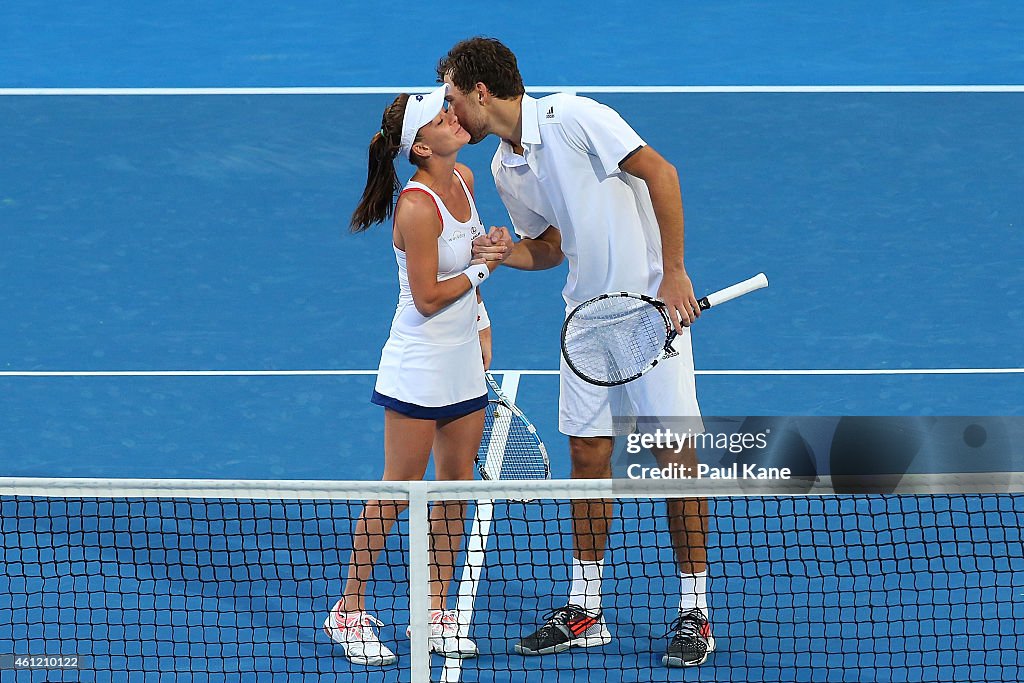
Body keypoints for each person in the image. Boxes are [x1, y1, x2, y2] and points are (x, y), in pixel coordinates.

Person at [436, 38, 715, 667]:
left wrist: (673, 274)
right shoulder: (508, 169)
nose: (451, 116)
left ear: (482, 92)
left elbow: (662, 173)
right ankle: (585, 605)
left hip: (652, 313)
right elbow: (553, 246)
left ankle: (695, 611)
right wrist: (509, 252)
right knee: (588, 454)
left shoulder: (577, 117)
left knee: (675, 459)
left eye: (454, 101)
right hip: (586, 322)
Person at [323, 84, 498, 666]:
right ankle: (347, 609)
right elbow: (426, 297)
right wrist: (481, 271)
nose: (456, 118)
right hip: (418, 367)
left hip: (462, 367)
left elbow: (473, 255)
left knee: (454, 487)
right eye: (444, 117)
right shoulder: (417, 206)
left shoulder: (466, 183)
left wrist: (482, 322)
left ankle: (433, 607)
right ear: (421, 148)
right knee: (397, 492)